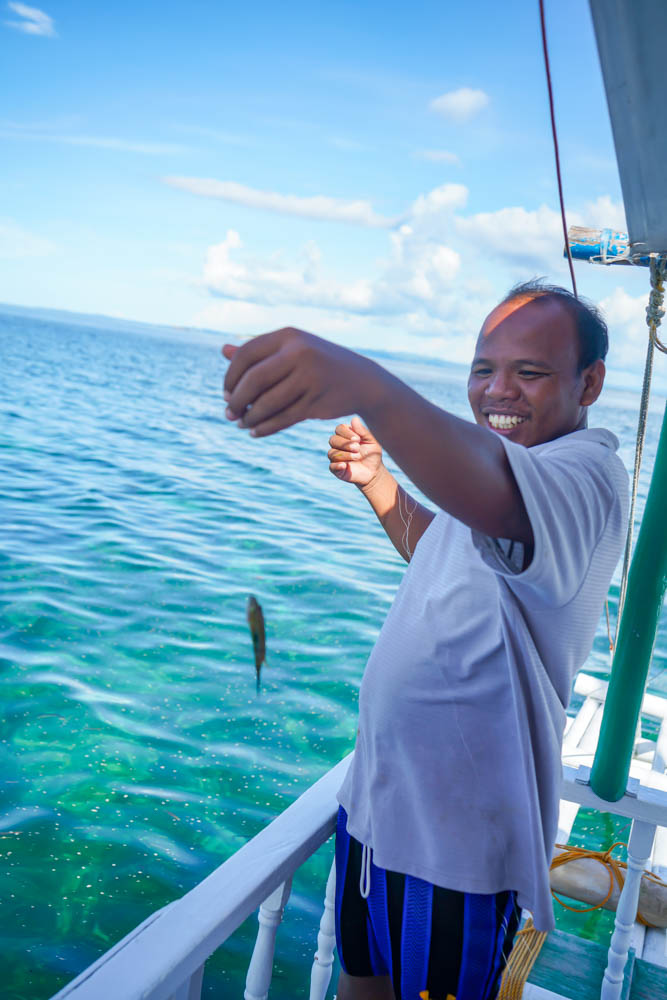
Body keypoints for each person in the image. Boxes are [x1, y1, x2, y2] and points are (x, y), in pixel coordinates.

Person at [222, 280, 629, 1000]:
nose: (497, 391)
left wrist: (367, 387)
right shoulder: (502, 492)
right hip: (376, 813)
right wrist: (378, 483)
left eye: (529, 372)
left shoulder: (584, 473)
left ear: (588, 382)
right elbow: (446, 546)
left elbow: (486, 487)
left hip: (455, 853)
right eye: (482, 369)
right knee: (360, 988)